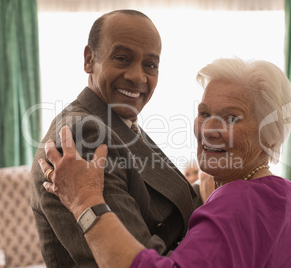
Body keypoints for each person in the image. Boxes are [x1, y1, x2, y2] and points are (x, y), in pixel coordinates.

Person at [39, 58, 291, 267]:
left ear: (270, 137)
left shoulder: (239, 203)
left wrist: (85, 200)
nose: (209, 129)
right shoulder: (265, 193)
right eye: (204, 113)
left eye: (232, 118)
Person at [31, 9, 202, 267]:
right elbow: (143, 259)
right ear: (89, 59)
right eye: (122, 58)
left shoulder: (119, 122)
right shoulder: (85, 135)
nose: (138, 76)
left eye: (150, 65)